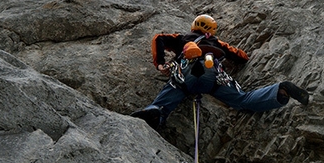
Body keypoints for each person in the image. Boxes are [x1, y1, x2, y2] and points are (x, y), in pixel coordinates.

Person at [131, 14, 309, 130]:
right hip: (214, 73)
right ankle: (280, 91)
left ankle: (157, 112)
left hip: (187, 70)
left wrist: (160, 64)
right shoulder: (218, 43)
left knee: (174, 89)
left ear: (194, 26)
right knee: (242, 99)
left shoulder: (183, 37)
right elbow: (242, 56)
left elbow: (158, 38)